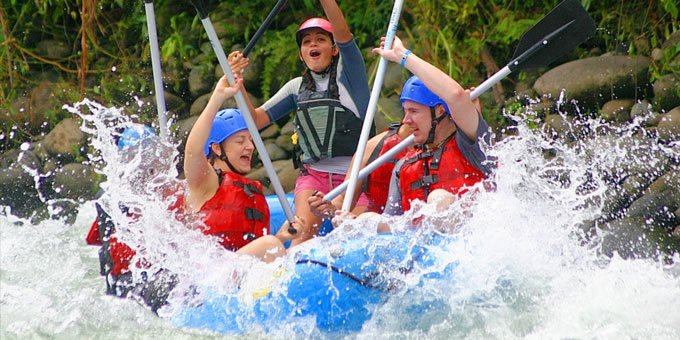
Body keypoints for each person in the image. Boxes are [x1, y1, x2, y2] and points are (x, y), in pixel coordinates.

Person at [231, 0, 372, 245]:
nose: (313, 45)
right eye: (307, 42)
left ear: (334, 49)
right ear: (301, 54)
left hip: (354, 179)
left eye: (320, 39)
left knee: (356, 235)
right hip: (313, 177)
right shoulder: (295, 88)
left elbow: (345, 35)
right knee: (302, 232)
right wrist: (238, 80)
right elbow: (255, 120)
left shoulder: (350, 77)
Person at [370, 36, 495, 218]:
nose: (406, 120)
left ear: (439, 110)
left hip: (467, 239)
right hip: (421, 243)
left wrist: (403, 56)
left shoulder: (471, 144)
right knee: (370, 220)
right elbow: (389, 226)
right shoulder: (402, 166)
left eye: (414, 111)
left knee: (439, 199)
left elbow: (456, 95)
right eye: (405, 111)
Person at [183, 74, 302, 263]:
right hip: (206, 276)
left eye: (251, 140)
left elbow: (245, 253)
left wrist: (281, 237)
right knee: (269, 244)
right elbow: (192, 150)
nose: (250, 147)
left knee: (279, 246)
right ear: (216, 148)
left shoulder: (250, 190)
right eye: (240, 141)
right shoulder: (205, 181)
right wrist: (217, 98)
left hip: (234, 275)